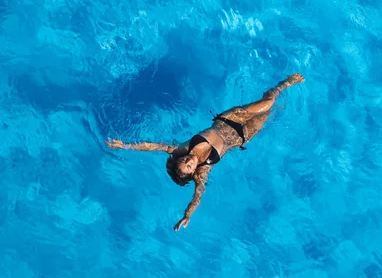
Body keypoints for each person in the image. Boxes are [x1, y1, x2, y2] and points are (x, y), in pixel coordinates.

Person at [106, 73, 305, 231]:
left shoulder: (182, 147)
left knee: (268, 102)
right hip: (243, 136)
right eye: (189, 164)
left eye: (184, 159)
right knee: (270, 112)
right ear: (193, 172)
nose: (189, 159)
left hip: (230, 118)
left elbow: (153, 146)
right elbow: (197, 196)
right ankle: (277, 94)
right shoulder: (202, 173)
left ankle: (284, 84)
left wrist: (124, 146)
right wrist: (187, 215)